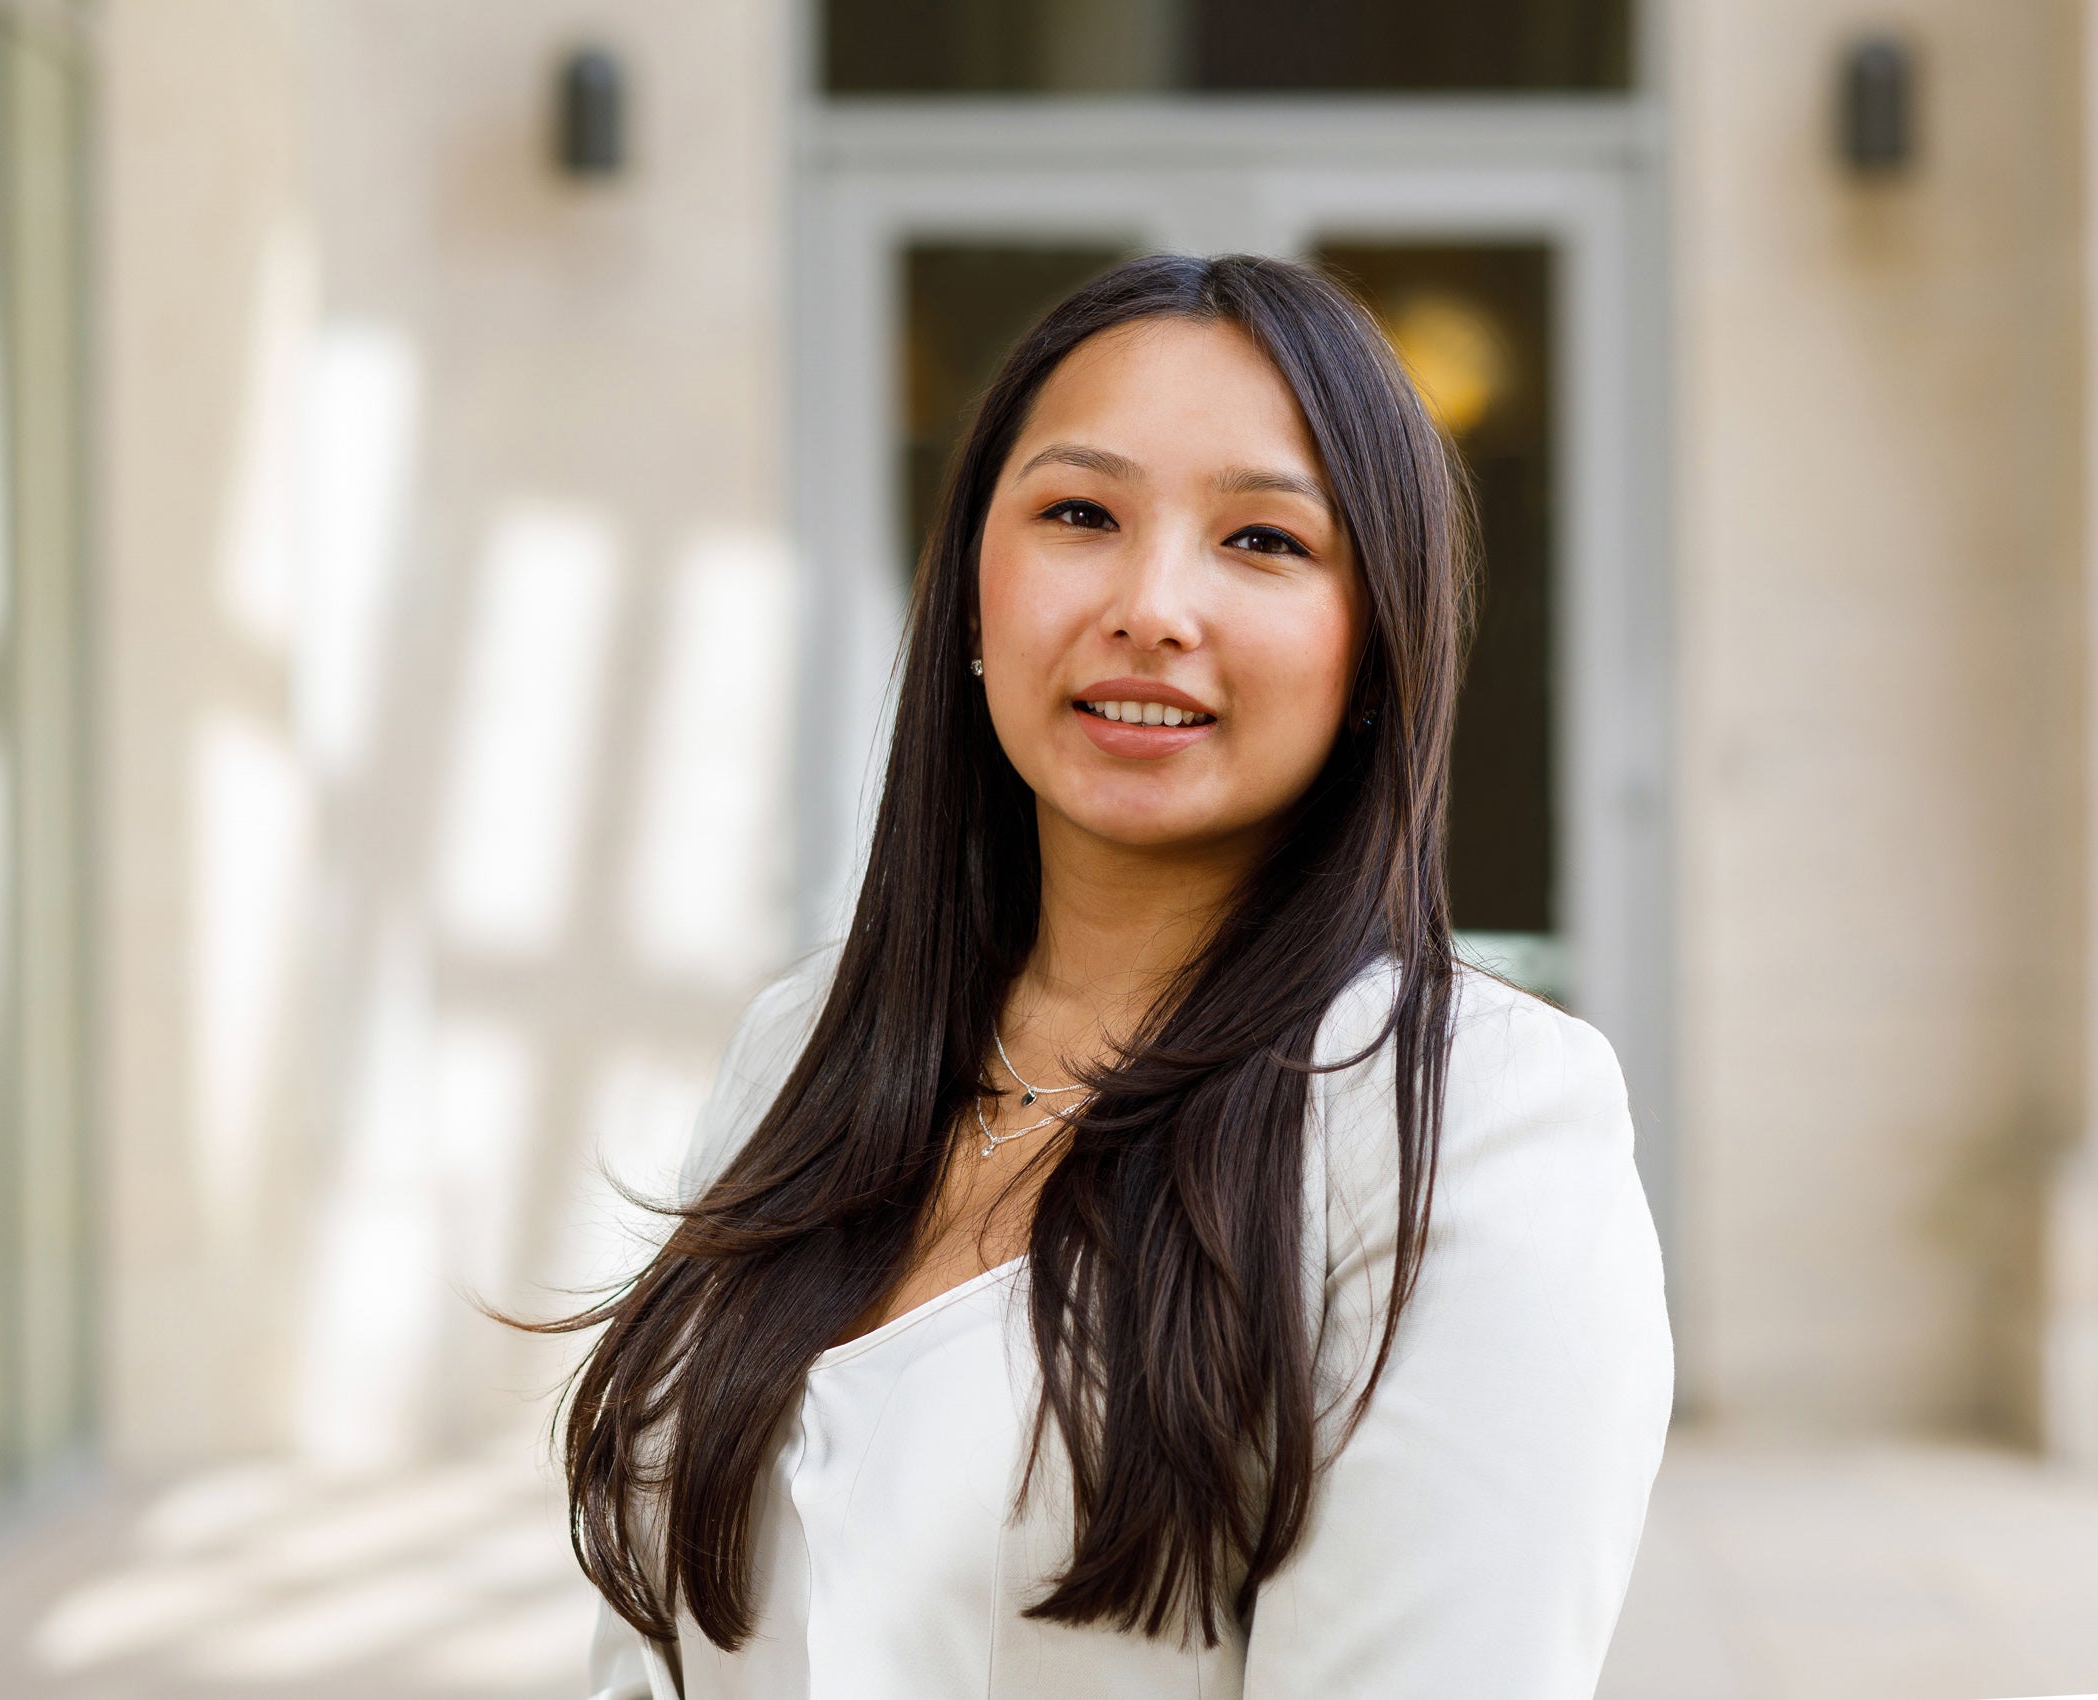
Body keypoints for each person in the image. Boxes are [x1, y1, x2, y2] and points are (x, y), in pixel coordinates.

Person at [530, 253, 1673, 1698]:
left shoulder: (1475, 1125)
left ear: (1375, 643)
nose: (1150, 606)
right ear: (968, 595)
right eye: (1079, 514)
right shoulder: (811, 1037)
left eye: (1262, 542)